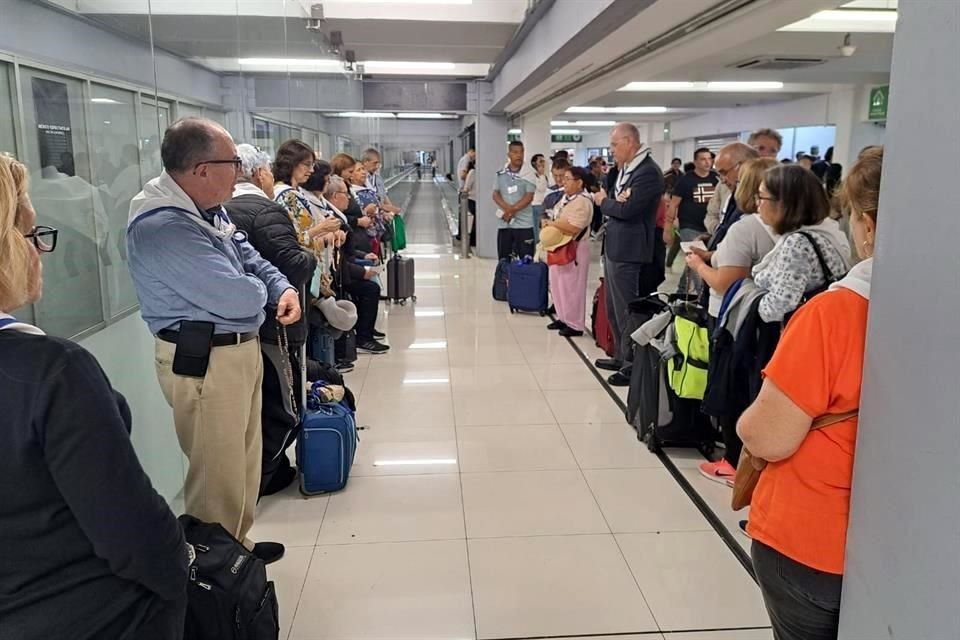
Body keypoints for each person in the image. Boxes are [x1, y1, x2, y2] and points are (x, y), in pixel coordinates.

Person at [1, 155, 189, 639]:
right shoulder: (49, 373)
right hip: (83, 613)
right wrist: (177, 577)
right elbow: (132, 529)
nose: (40, 251)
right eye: (30, 235)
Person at [127, 117, 300, 565]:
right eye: (233, 163)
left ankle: (236, 547)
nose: (240, 171)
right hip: (207, 360)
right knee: (215, 472)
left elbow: (249, 257)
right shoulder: (163, 225)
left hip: (237, 351)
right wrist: (263, 292)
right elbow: (236, 295)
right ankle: (215, 572)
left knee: (243, 463)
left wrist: (281, 286)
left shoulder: (207, 209)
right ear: (202, 168)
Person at [738, 147, 883, 640]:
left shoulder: (835, 316)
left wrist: (743, 422)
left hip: (817, 541)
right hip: (911, 546)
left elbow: (770, 437)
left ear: (866, 224)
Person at [224, 144, 319, 497]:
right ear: (261, 173)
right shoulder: (266, 210)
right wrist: (309, 253)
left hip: (245, 326)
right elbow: (293, 263)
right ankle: (264, 476)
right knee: (280, 403)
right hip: (273, 324)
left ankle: (257, 473)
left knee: (257, 405)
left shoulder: (219, 212)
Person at [684, 156, 779, 483]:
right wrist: (711, 255)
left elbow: (726, 281)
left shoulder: (746, 227)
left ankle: (732, 459)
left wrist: (699, 266)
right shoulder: (784, 230)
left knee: (730, 384)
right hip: (762, 321)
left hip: (731, 316)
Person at [592, 122, 665, 386]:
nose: (611, 150)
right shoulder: (625, 171)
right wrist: (615, 203)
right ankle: (621, 355)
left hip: (631, 251)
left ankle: (633, 364)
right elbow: (620, 204)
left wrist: (604, 203)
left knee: (628, 309)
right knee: (614, 307)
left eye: (614, 144)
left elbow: (627, 210)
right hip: (615, 246)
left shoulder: (647, 173)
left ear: (629, 142)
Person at [752, 164, 851, 324]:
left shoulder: (798, 243)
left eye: (761, 197)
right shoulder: (826, 230)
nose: (757, 204)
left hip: (793, 334)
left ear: (783, 204)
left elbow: (775, 309)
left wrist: (748, 298)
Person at [310, 168, 389, 355]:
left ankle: (366, 329)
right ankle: (363, 336)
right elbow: (340, 259)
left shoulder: (337, 215)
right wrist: (362, 272)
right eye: (346, 195)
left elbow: (349, 252)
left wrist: (363, 257)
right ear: (336, 196)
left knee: (371, 279)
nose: (350, 199)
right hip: (338, 273)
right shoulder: (331, 218)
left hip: (346, 266)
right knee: (370, 288)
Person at [542, 166, 593, 337]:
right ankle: (563, 317)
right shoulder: (565, 198)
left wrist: (552, 224)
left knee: (572, 287)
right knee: (558, 284)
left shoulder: (583, 201)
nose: (563, 182)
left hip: (575, 247)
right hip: (559, 245)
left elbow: (574, 227)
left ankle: (575, 324)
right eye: (563, 178)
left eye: (567, 179)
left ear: (579, 183)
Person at [664, 147, 719, 268]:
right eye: (703, 159)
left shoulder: (716, 178)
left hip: (709, 227)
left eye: (709, 159)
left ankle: (683, 287)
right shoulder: (686, 180)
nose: (707, 162)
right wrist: (668, 228)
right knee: (696, 259)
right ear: (695, 162)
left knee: (697, 261)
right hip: (689, 226)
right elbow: (673, 204)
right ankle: (698, 288)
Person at [492, 140, 537, 259]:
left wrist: (510, 211)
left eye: (521, 152)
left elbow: (529, 197)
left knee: (526, 260)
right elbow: (495, 194)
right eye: (515, 152)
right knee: (504, 259)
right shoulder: (500, 174)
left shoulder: (529, 174)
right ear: (509, 154)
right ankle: (505, 278)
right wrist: (507, 210)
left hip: (524, 225)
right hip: (505, 224)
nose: (519, 155)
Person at [272, 139, 319, 247]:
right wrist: (320, 229)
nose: (311, 170)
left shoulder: (296, 192)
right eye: (307, 164)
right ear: (291, 163)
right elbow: (292, 239)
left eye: (312, 165)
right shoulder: (284, 196)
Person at [362, 148, 401, 216]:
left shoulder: (378, 178)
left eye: (378, 163)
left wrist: (392, 209)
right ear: (365, 162)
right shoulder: (360, 179)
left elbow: (384, 196)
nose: (377, 166)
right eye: (375, 163)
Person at [461, 158, 478, 247]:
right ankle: (472, 241)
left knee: (478, 219)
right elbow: (466, 187)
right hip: (472, 200)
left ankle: (474, 241)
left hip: (479, 201)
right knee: (478, 218)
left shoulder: (482, 173)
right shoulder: (472, 172)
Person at [530, 153, 549, 221]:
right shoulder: (533, 176)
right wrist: (541, 174)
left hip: (543, 204)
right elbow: (541, 188)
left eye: (544, 161)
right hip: (536, 205)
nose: (543, 163)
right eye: (541, 161)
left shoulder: (543, 175)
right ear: (534, 163)